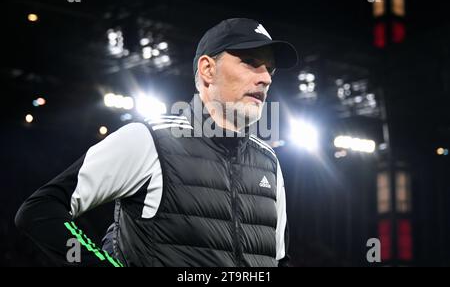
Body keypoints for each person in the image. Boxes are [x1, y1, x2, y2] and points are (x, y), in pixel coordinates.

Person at [15, 18, 298, 267]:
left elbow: (279, 260)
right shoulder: (150, 139)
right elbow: (40, 210)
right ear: (208, 70)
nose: (264, 78)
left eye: (270, 69)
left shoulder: (269, 163)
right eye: (250, 62)